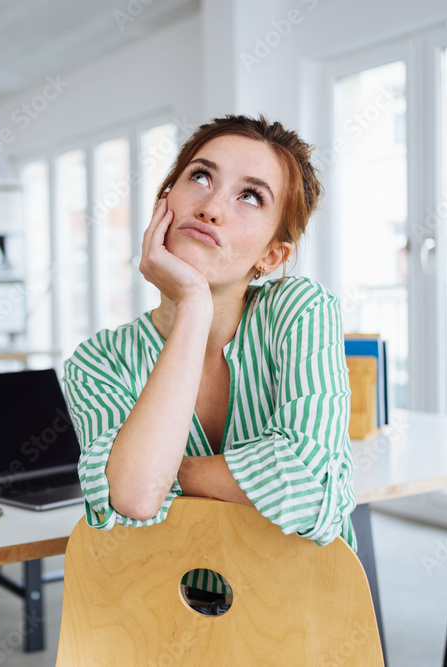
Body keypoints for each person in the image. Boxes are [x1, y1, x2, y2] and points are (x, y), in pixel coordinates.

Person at [63, 115, 356, 574]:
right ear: (165, 202)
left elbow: (311, 486)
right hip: (159, 616)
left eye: (250, 196)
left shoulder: (300, 310)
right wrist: (193, 306)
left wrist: (167, 469)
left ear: (271, 256)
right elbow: (138, 497)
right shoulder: (98, 361)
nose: (212, 207)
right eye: (200, 177)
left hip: (299, 615)